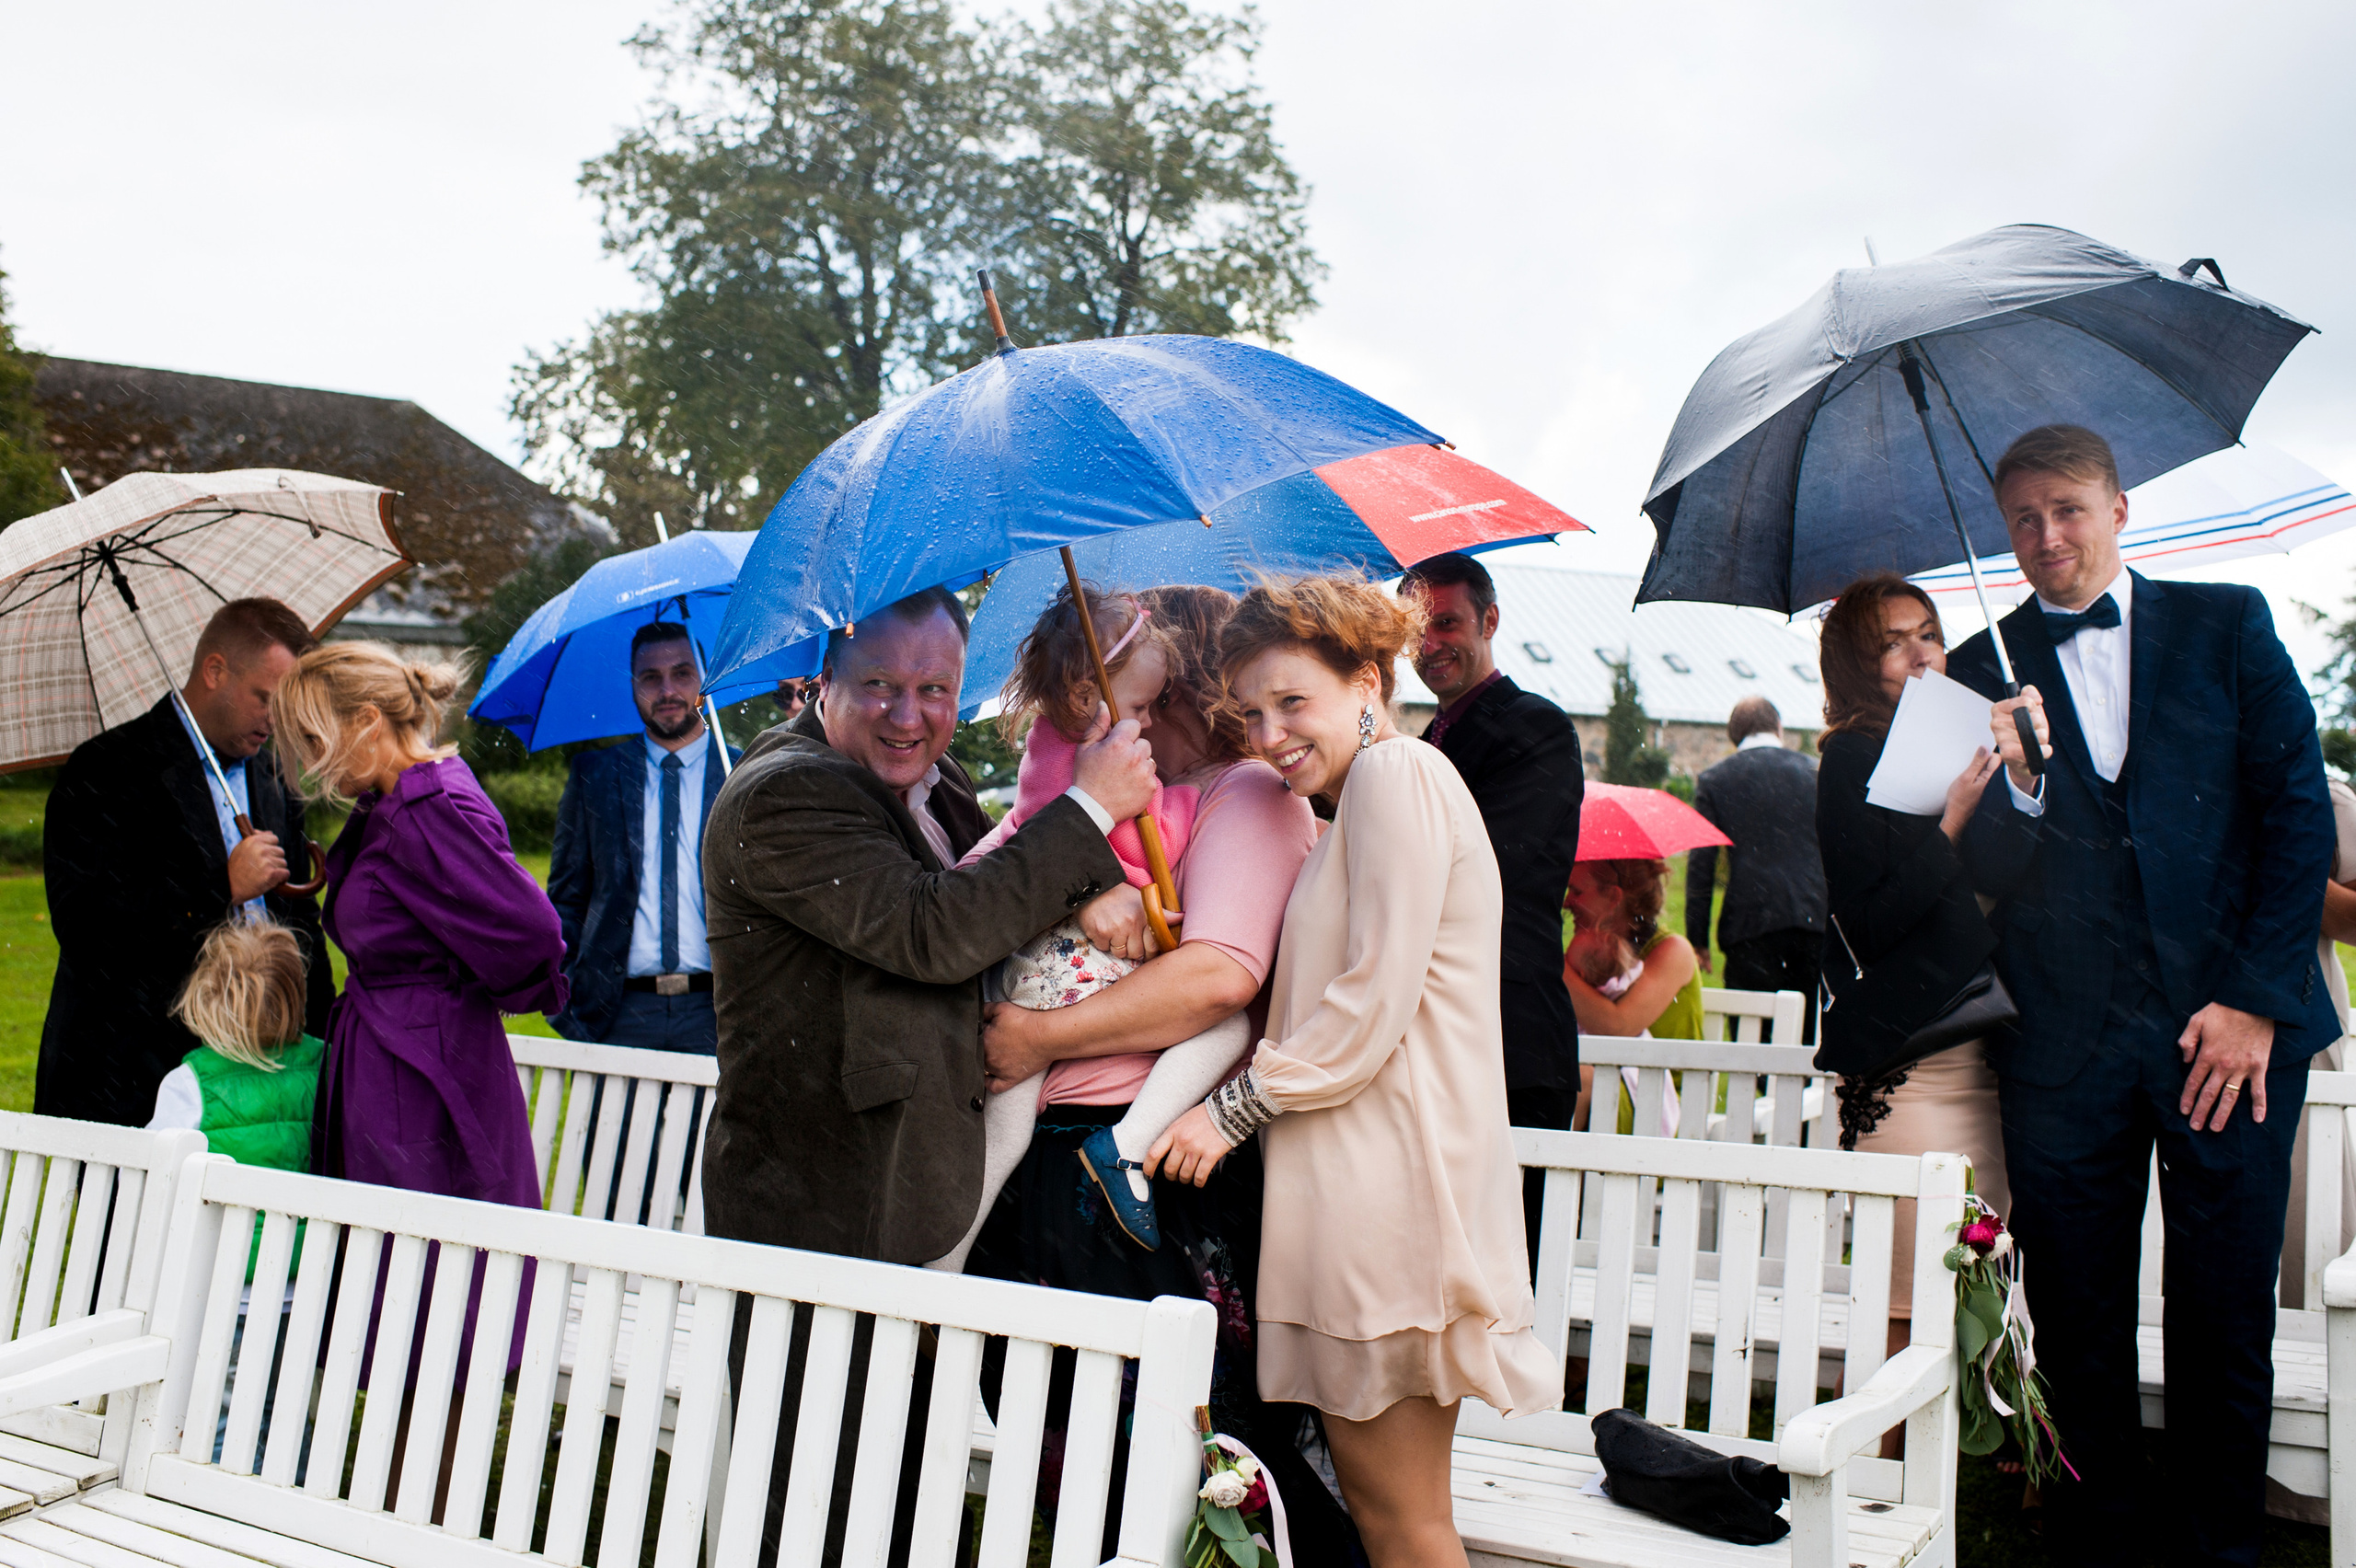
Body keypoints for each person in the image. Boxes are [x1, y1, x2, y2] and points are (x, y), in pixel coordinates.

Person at [1947, 423, 2338, 1567]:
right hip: (2061, 1051)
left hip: (2225, 1034)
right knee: (2074, 1318)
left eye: (2067, 509)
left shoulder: (2228, 627)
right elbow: (1971, 879)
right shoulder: (1980, 665)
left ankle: (2222, 1544)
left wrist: (2257, 1002)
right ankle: (2095, 1536)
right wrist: (2014, 790)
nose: (2045, 537)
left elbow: (2294, 821)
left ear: (2119, 507)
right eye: (2022, 519)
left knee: (2225, 1314)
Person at [1148, 576, 1555, 1568]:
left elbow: (1369, 1007)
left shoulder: (1398, 775)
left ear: (1366, 679)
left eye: (1293, 701)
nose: (1272, 733)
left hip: (1391, 1199)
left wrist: (1227, 1112)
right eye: (1250, 714)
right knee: (1390, 1518)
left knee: (1401, 1523)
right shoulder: (1352, 810)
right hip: (1360, 1192)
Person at [968, 584, 1345, 1562]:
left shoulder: (1246, 794)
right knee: (1074, 1453)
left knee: (1191, 1463)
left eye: (1149, 702)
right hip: (1054, 1160)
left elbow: (1220, 975)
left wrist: (1037, 1041)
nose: (1127, 729)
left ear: (1187, 694)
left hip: (1144, 1173)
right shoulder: (1119, 790)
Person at [699, 584, 1153, 1265]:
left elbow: (996, 904)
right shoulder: (782, 793)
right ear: (826, 678)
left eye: (936, 689)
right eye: (879, 684)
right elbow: (930, 932)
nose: (908, 716)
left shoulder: (944, 780)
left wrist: (1086, 895)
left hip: (935, 1194)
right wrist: (1089, 807)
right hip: (829, 1214)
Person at [932, 586, 1244, 1267]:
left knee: (1005, 1134)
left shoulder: (1077, 744)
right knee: (1230, 1026)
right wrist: (1175, 815)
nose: (1145, 722)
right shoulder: (1074, 755)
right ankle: (1127, 1150)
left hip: (1049, 972)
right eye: (1137, 705)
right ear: (1083, 696)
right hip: (1062, 965)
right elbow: (1086, 835)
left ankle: (944, 1265)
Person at [270, 642, 568, 1208]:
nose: (310, 763)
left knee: (423, 1271)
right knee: (394, 1266)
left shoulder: (428, 807)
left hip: (425, 1077)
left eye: (313, 738)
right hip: (401, 1060)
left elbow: (531, 935)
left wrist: (466, 990)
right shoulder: (394, 801)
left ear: (366, 721)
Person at [1812, 574, 2028, 1350]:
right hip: (1915, 1062)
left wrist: (2021, 774)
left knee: (1986, 1290)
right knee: (1906, 1308)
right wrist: (1951, 827)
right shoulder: (1851, 759)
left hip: (1987, 1048)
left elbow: (2006, 883)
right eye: (1891, 643)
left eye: (1928, 633)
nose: (1918, 653)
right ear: (1856, 665)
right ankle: (1867, 1469)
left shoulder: (1965, 741)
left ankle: (1975, 1469)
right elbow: (1868, 921)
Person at [37, 597, 330, 1126]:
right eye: (266, 699)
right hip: (133, 1080)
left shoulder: (271, 778)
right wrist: (221, 888)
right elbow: (89, 930)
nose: (277, 720)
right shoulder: (106, 770)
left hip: (261, 1084)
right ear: (215, 671)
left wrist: (323, 1039)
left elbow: (297, 918)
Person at [1401, 551, 1585, 1267]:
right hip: (1441, 1035)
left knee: (1509, 1266)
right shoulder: (1426, 739)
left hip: (1510, 1032)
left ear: (1491, 620)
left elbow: (1489, 870)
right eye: (1415, 627)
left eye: (1446, 622)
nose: (1430, 643)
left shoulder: (1535, 727)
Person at [547, 621, 740, 1052]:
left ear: (705, 680)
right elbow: (566, 896)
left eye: (683, 673)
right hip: (618, 1014)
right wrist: (565, 1003)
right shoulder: (594, 777)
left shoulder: (743, 774)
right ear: (633, 684)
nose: (667, 690)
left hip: (722, 1013)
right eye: (651, 677)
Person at [1684, 696, 1826, 1036]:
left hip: (1750, 925)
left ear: (1735, 736)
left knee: (1753, 1037)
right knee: (1809, 1038)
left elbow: (1701, 864)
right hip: (1814, 920)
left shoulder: (1716, 780)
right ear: (1778, 727)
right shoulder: (1816, 773)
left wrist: (1697, 938)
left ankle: (1761, 1090)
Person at [1562, 858, 1702, 1134]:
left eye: (1577, 891)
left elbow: (1617, 1028)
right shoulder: (1592, 950)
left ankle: (1546, 1174)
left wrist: (1555, 968)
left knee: (1580, 1078)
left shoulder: (1672, 950)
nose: (1567, 902)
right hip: (1613, 1084)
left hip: (1656, 1098)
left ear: (1613, 896)